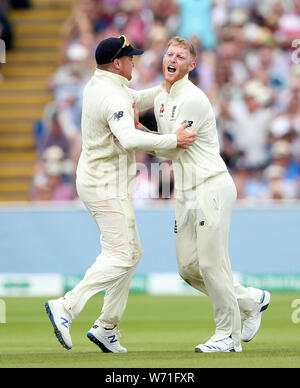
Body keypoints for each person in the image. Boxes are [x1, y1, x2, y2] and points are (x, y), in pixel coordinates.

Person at [45, 35, 196, 353]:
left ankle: (106, 327)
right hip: (103, 186)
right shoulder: (110, 96)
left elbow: (136, 100)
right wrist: (172, 141)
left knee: (131, 253)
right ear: (117, 63)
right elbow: (128, 137)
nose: (134, 62)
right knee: (122, 254)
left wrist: (171, 83)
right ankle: (66, 307)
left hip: (105, 182)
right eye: (130, 58)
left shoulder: (104, 85)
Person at [134, 36, 270, 353]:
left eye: (181, 56)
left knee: (211, 264)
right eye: (169, 53)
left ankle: (228, 337)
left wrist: (139, 136)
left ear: (191, 65)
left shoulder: (193, 98)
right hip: (186, 191)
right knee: (188, 269)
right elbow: (131, 101)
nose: (173, 58)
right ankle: (250, 300)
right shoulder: (162, 94)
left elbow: (175, 144)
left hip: (211, 185)